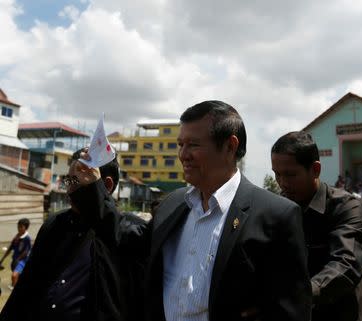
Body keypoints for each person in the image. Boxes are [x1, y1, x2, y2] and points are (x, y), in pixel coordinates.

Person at [67, 100, 312, 321]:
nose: (183, 155)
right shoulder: (173, 204)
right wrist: (92, 188)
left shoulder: (276, 215)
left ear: (229, 145)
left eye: (193, 145)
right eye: (180, 144)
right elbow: (130, 239)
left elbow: (292, 310)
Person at [0, 151, 148, 321]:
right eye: (68, 180)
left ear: (106, 185)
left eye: (77, 180)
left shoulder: (128, 233)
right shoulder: (55, 225)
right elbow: (26, 289)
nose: (69, 189)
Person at [271, 131, 362, 321]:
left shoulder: (347, 207)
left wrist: (302, 295)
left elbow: (346, 264)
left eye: (290, 175)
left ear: (315, 170)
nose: (282, 183)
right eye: (277, 174)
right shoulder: (275, 209)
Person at [0, 218, 32, 290]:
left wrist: (18, 259)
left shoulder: (27, 238)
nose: (19, 228)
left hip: (22, 261)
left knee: (14, 276)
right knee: (17, 276)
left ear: (26, 228)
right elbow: (10, 248)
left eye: (21, 227)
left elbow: (26, 251)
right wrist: (2, 259)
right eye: (18, 226)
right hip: (15, 260)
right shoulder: (16, 237)